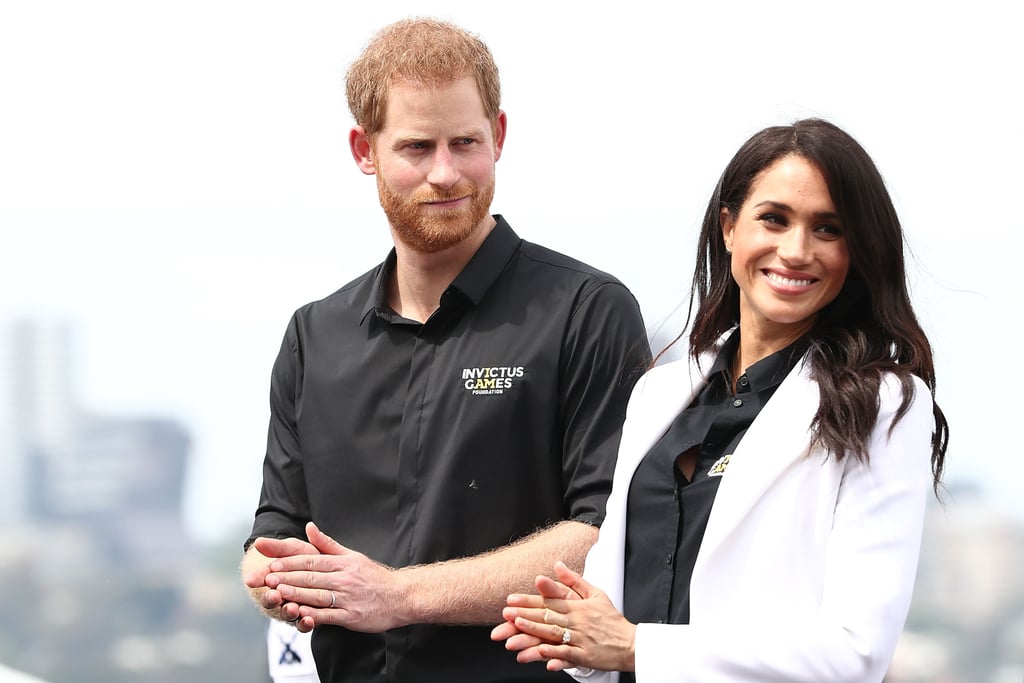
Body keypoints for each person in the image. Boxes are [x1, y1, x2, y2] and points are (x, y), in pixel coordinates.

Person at [240, 17, 651, 683]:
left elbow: (604, 537)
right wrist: (275, 578)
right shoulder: (314, 337)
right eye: (416, 147)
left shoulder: (587, 312)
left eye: (465, 142)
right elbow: (271, 536)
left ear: (500, 135)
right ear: (363, 149)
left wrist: (396, 595)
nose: (445, 172)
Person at [493, 118, 949, 683]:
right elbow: (611, 622)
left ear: (857, 252)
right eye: (774, 219)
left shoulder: (883, 403)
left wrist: (639, 648)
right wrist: (571, 634)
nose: (796, 250)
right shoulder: (658, 394)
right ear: (729, 228)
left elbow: (856, 655)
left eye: (828, 229)